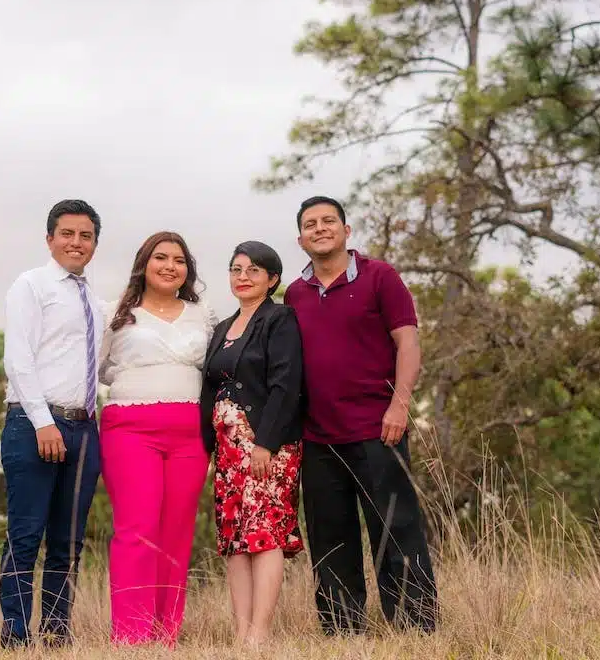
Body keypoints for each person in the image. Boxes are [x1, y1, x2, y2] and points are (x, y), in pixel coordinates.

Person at [284, 195, 438, 635]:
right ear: (301, 238)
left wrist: (400, 404)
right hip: (317, 438)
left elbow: (408, 343)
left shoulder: (379, 277)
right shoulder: (295, 293)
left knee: (397, 529)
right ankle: (341, 632)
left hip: (378, 429)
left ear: (346, 231)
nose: (320, 228)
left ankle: (415, 629)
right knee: (331, 540)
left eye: (328, 221)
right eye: (310, 224)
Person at [97, 231, 217, 646]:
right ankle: (131, 637)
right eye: (161, 258)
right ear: (144, 264)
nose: (170, 266)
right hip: (130, 429)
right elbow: (92, 368)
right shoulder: (116, 311)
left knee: (176, 531)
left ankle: (165, 635)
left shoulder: (204, 315)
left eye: (179, 260)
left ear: (188, 269)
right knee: (137, 528)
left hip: (190, 435)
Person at [0, 199, 105, 649]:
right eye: (67, 233)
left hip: (84, 428)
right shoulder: (32, 285)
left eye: (85, 236)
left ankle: (58, 634)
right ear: (50, 239)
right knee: (26, 534)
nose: (75, 243)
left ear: (95, 243)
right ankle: (17, 637)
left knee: (68, 541)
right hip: (34, 423)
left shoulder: (94, 302)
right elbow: (18, 360)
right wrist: (44, 423)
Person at [200, 240, 305, 647]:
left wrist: (266, 442)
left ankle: (260, 632)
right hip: (227, 450)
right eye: (236, 269)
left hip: (266, 446)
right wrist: (210, 448)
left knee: (264, 534)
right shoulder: (222, 328)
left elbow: (286, 382)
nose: (243, 277)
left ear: (272, 279)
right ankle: (241, 631)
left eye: (253, 270)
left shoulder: (280, 319)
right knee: (234, 539)